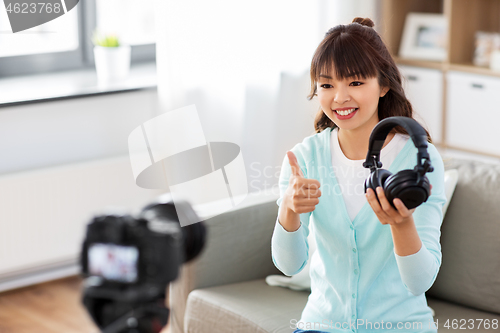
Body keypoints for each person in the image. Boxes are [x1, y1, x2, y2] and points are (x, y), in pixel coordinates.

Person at [271, 17, 446, 333]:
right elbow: (288, 265)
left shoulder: (419, 158)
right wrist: (289, 209)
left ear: (384, 84)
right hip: (321, 325)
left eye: (355, 83)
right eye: (327, 85)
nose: (339, 98)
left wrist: (401, 223)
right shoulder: (305, 158)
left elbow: (419, 280)